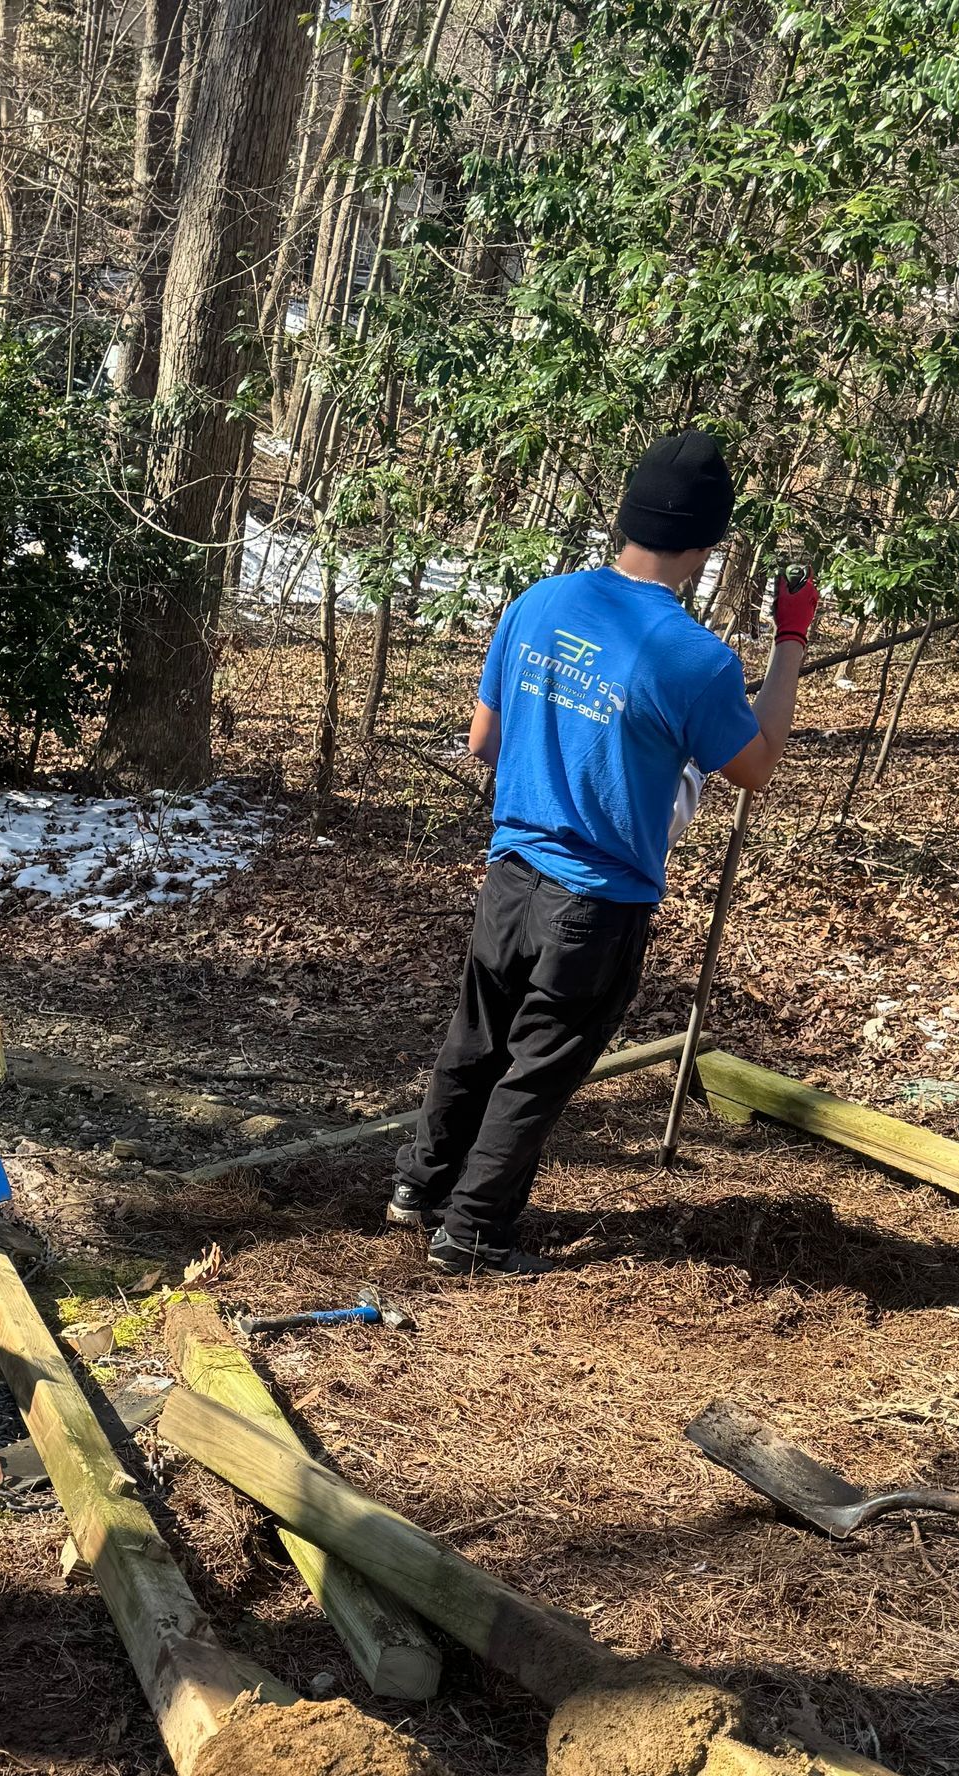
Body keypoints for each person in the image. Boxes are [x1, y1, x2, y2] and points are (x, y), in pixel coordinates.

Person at [389, 428, 819, 1276]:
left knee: (476, 1037)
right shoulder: (694, 659)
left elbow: (484, 742)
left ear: (626, 516)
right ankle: (472, 1233)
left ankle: (418, 1188)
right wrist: (791, 640)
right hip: (598, 901)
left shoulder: (538, 601)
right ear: (706, 543)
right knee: (538, 1066)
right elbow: (756, 768)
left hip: (509, 873)